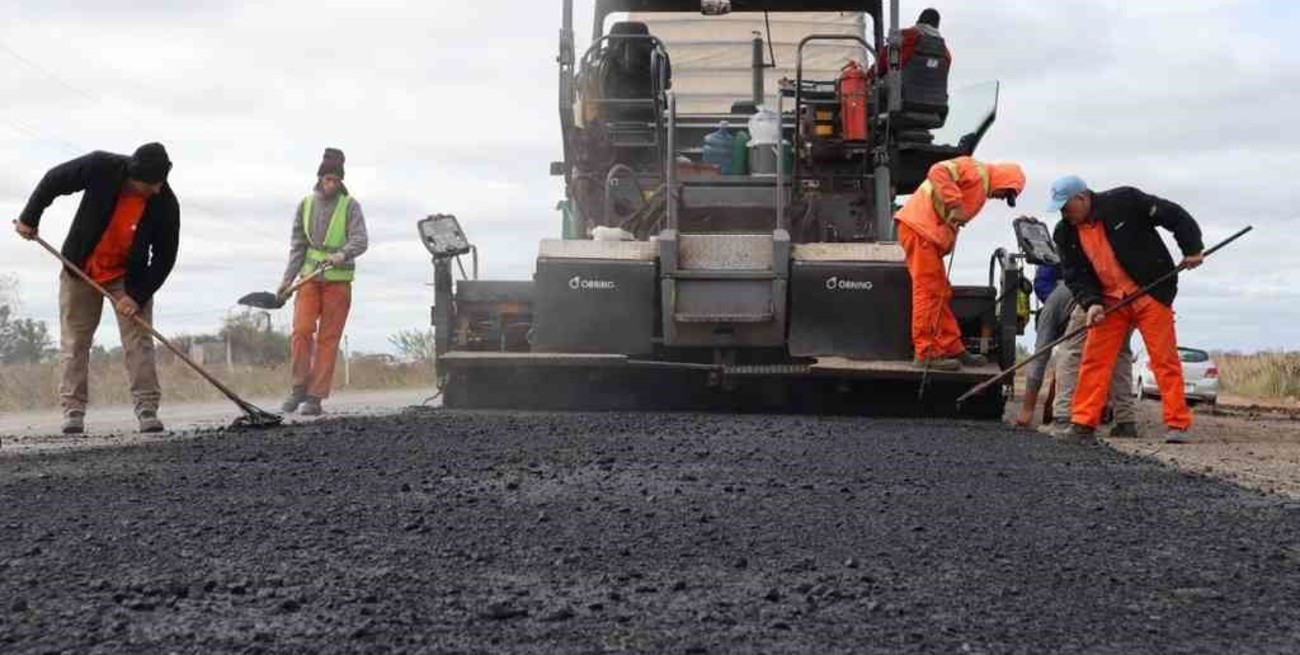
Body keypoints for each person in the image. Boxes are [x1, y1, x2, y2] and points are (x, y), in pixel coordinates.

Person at [13, 143, 179, 434]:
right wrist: (30, 217)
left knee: (139, 344)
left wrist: (135, 296)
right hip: (81, 270)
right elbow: (54, 180)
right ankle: (73, 413)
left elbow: (165, 257)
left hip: (129, 279)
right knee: (75, 343)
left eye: (161, 183)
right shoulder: (101, 167)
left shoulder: (165, 202)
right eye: (150, 184)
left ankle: (147, 410)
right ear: (132, 176)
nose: (156, 190)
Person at [1048, 175, 1204, 444]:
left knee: (1163, 359)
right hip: (1110, 302)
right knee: (1094, 359)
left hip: (1151, 293)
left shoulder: (1125, 201)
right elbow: (1075, 274)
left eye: (1066, 207)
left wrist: (1192, 248)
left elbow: (1173, 215)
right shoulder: (1065, 232)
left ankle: (1177, 423)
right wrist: (1092, 302)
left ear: (1082, 198)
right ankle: (1083, 424)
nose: (1063, 213)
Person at [894, 156, 1025, 370]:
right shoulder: (976, 172)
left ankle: (952, 347)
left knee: (941, 292)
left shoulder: (981, 186)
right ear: (1004, 182)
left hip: (925, 234)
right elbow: (937, 170)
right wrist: (955, 203)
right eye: (1006, 194)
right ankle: (926, 353)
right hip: (920, 230)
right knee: (928, 292)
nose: (1002, 198)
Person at [278, 148, 368, 416]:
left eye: (336, 180)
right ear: (319, 178)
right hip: (309, 278)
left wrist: (342, 254)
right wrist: (286, 280)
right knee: (302, 331)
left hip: (338, 282)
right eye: (327, 179)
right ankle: (298, 389)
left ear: (341, 181)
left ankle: (315, 397)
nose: (331, 184)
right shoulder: (305, 205)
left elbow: (361, 240)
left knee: (329, 338)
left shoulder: (350, 205)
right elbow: (298, 246)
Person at [1015, 262, 1137, 438]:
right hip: (1122, 294)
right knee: (1120, 355)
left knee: (1069, 352)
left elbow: (1039, 359)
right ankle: (1126, 423)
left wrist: (1027, 410)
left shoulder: (1050, 310)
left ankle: (1062, 419)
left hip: (1093, 301)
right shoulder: (1060, 299)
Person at [875, 8, 952, 77]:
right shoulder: (945, 53)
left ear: (918, 22)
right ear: (937, 26)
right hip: (935, 93)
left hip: (902, 91)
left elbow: (881, 66)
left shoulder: (904, 38)